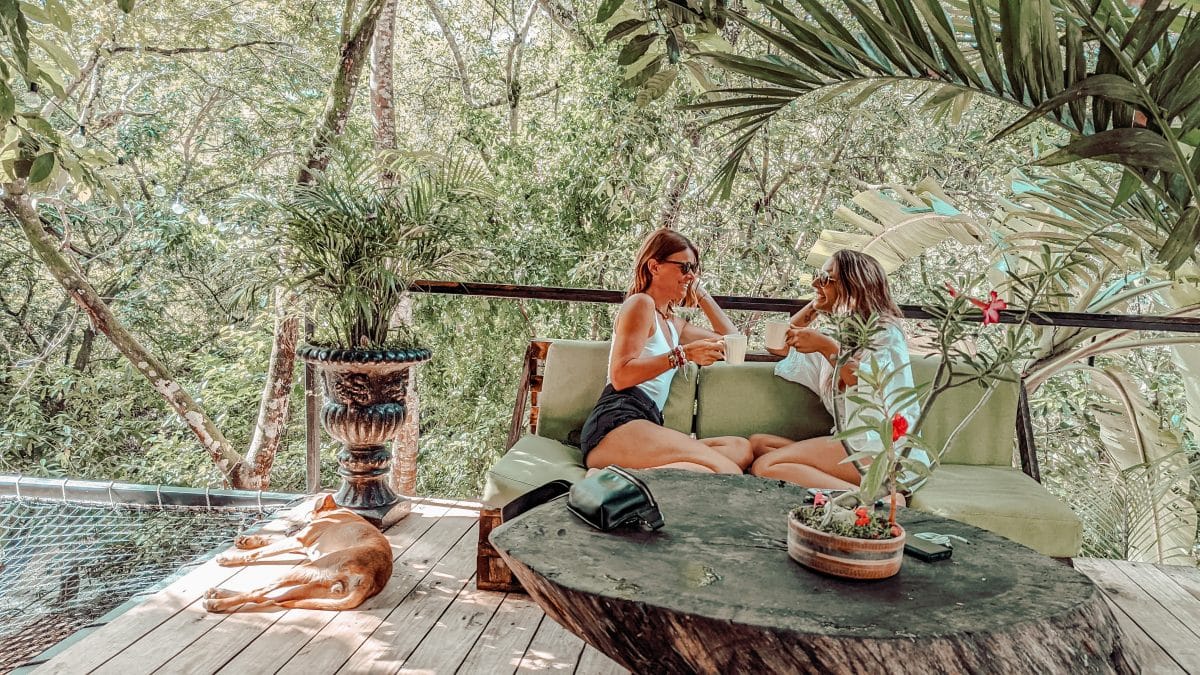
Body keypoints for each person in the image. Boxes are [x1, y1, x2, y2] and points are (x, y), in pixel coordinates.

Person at [748, 249, 923, 492]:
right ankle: (855, 491)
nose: (814, 283)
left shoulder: (885, 332)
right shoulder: (837, 334)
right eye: (817, 276)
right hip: (851, 444)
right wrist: (817, 303)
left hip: (883, 451)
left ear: (854, 286)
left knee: (766, 467)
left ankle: (877, 499)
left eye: (825, 278)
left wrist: (826, 346)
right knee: (759, 444)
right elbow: (777, 345)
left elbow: (863, 381)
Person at [580, 229, 752, 474]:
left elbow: (733, 342)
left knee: (739, 449)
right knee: (727, 470)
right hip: (618, 421)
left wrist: (700, 294)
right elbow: (620, 376)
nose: (691, 275)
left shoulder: (673, 324)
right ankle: (613, 480)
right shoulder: (641, 303)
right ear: (655, 267)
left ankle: (632, 476)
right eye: (685, 267)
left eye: (694, 269)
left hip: (647, 422)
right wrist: (683, 355)